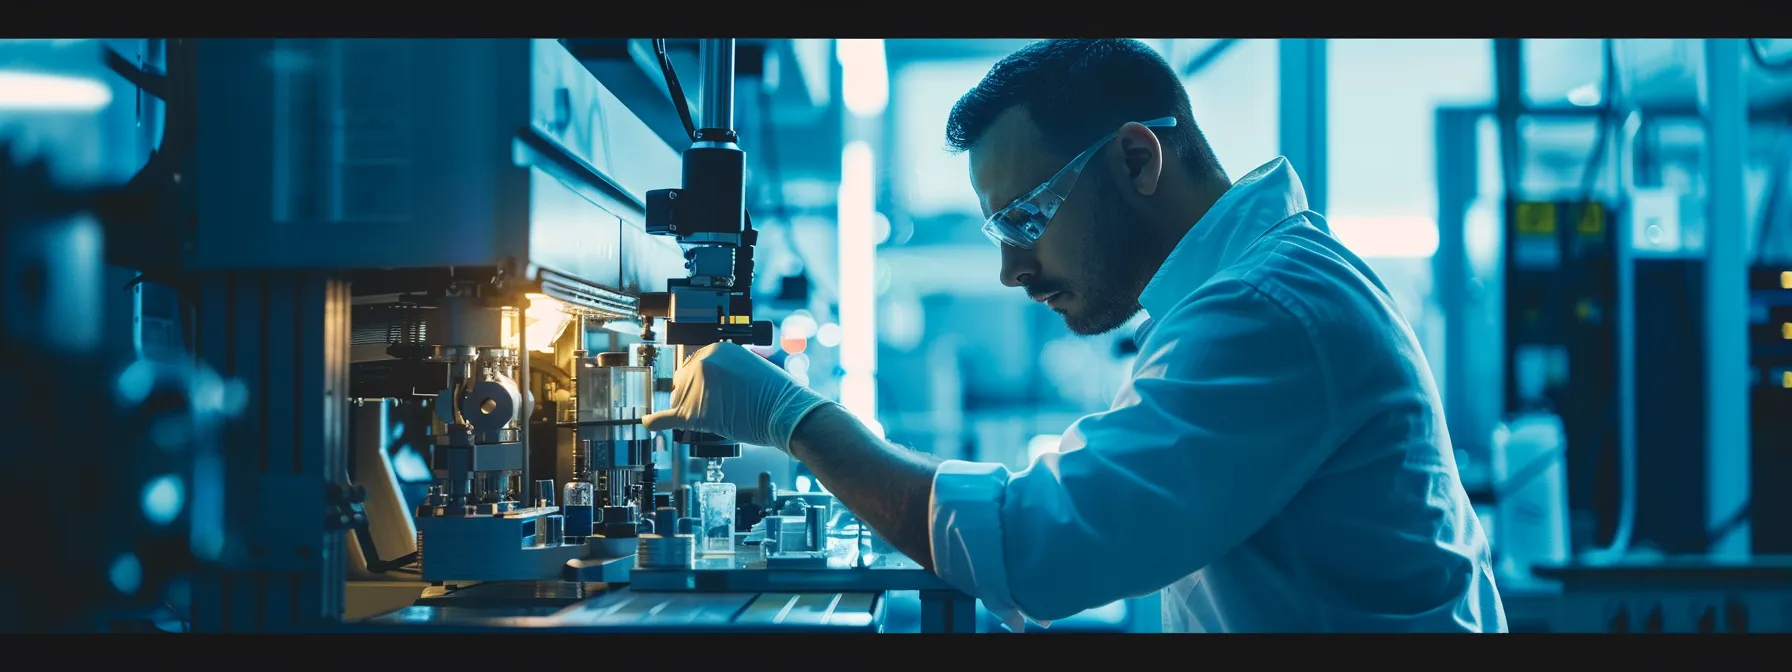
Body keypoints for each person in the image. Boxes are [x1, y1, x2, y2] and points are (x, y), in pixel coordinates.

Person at [643, 38, 1506, 634]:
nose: (1014, 272)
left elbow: (1038, 546)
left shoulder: (1264, 312)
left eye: (1027, 219)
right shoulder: (1242, 292)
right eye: (1000, 233)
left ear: (1137, 160)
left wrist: (798, 420)